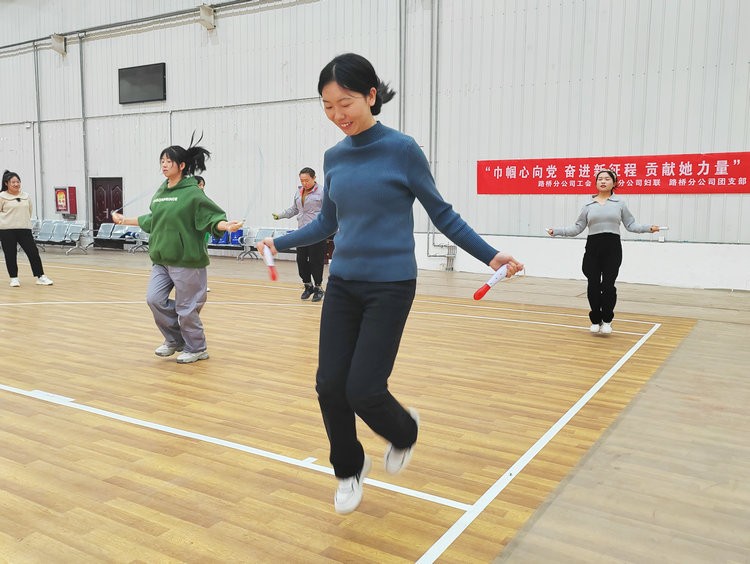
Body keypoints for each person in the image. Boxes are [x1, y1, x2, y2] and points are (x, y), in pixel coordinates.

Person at [257, 53, 523, 515]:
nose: (337, 115)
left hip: (390, 285)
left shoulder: (402, 150)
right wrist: (277, 242)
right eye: (327, 106)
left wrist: (489, 255)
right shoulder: (334, 158)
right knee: (329, 385)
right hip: (343, 283)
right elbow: (327, 223)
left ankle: (405, 431)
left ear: (370, 96)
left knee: (363, 389)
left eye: (345, 103)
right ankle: (348, 468)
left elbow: (442, 214)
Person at [111, 137, 242, 364]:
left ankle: (197, 348)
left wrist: (225, 225)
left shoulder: (193, 193)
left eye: (168, 161)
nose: (164, 165)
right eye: (162, 161)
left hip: (186, 261)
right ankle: (175, 339)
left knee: (187, 308)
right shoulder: (161, 192)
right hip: (161, 259)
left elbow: (210, 217)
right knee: (154, 299)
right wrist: (125, 220)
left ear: (181, 165)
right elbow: (153, 219)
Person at [547, 168, 660, 335]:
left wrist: (648, 228)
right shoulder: (588, 205)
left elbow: (631, 225)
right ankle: (595, 319)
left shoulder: (620, 204)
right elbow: (577, 228)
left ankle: (607, 320)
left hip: (612, 248)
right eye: (600, 179)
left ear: (614, 183)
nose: (603, 181)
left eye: (607, 179)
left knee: (608, 286)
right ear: (596, 183)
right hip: (593, 248)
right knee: (593, 284)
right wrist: (557, 231)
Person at [272, 167, 326, 302]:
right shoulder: (299, 192)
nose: (304, 183)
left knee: (315, 260)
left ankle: (318, 288)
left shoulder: (322, 192)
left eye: (307, 180)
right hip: (302, 232)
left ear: (314, 178)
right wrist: (280, 215)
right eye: (302, 180)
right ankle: (308, 286)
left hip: (317, 232)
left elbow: (328, 212)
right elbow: (294, 209)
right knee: (301, 260)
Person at [0, 170, 53, 287]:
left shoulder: (26, 196)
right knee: (10, 254)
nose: (16, 184)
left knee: (33, 252)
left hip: (24, 229)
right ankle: (14, 278)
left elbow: (29, 211)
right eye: (13, 182)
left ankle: (40, 276)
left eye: (18, 182)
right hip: (6, 230)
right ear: (6, 183)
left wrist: (23, 222)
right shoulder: (2, 197)